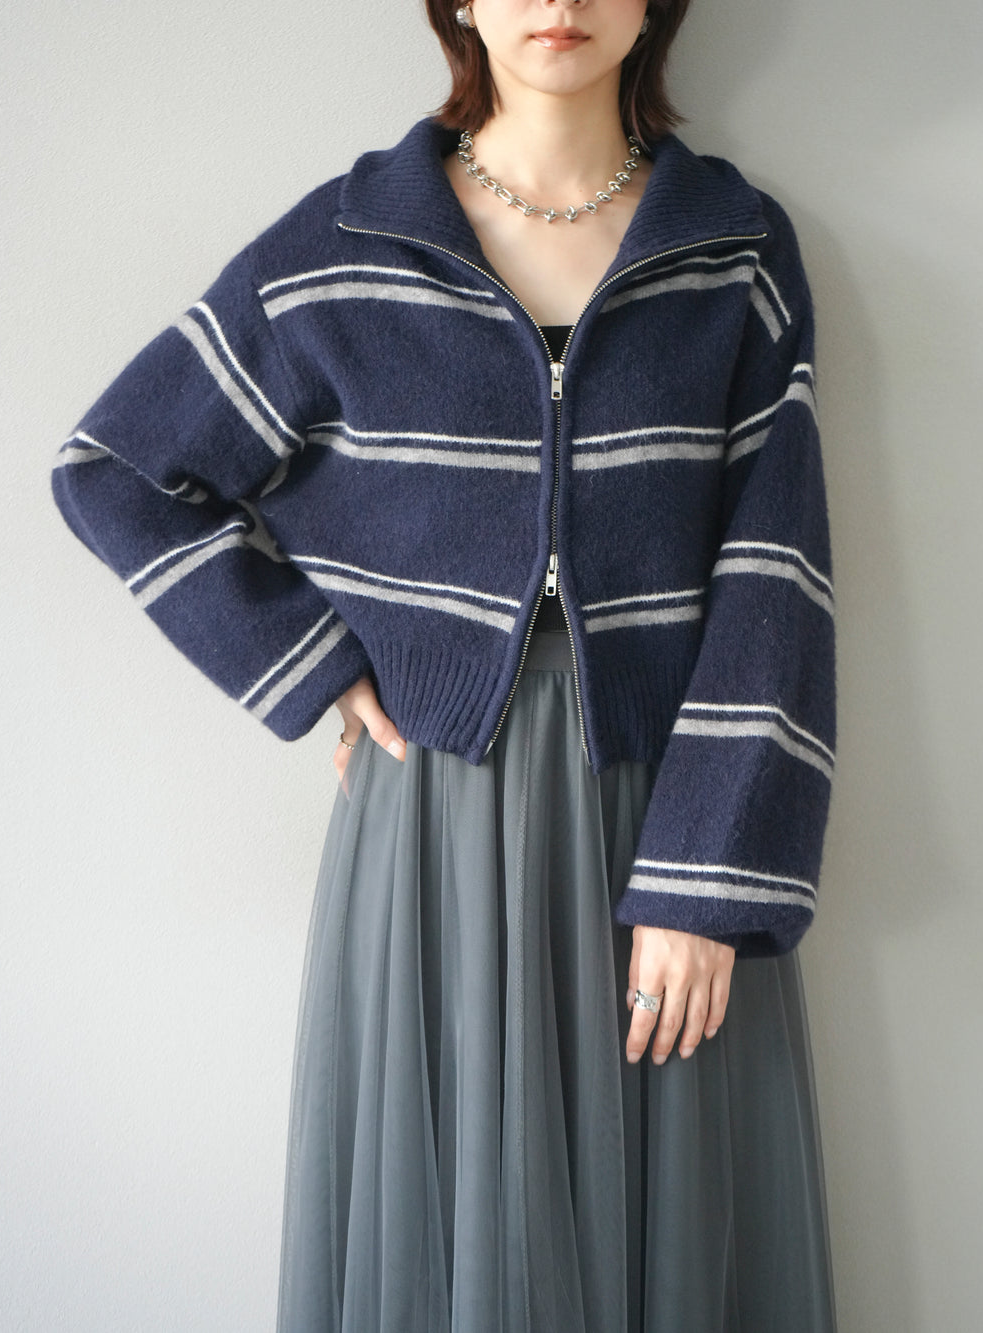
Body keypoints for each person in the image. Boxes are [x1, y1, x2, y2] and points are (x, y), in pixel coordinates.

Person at [51, 1, 837, 1328]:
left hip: (668, 814)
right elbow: (117, 470)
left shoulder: (735, 249)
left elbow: (778, 570)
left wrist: (710, 884)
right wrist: (312, 662)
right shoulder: (347, 243)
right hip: (431, 822)